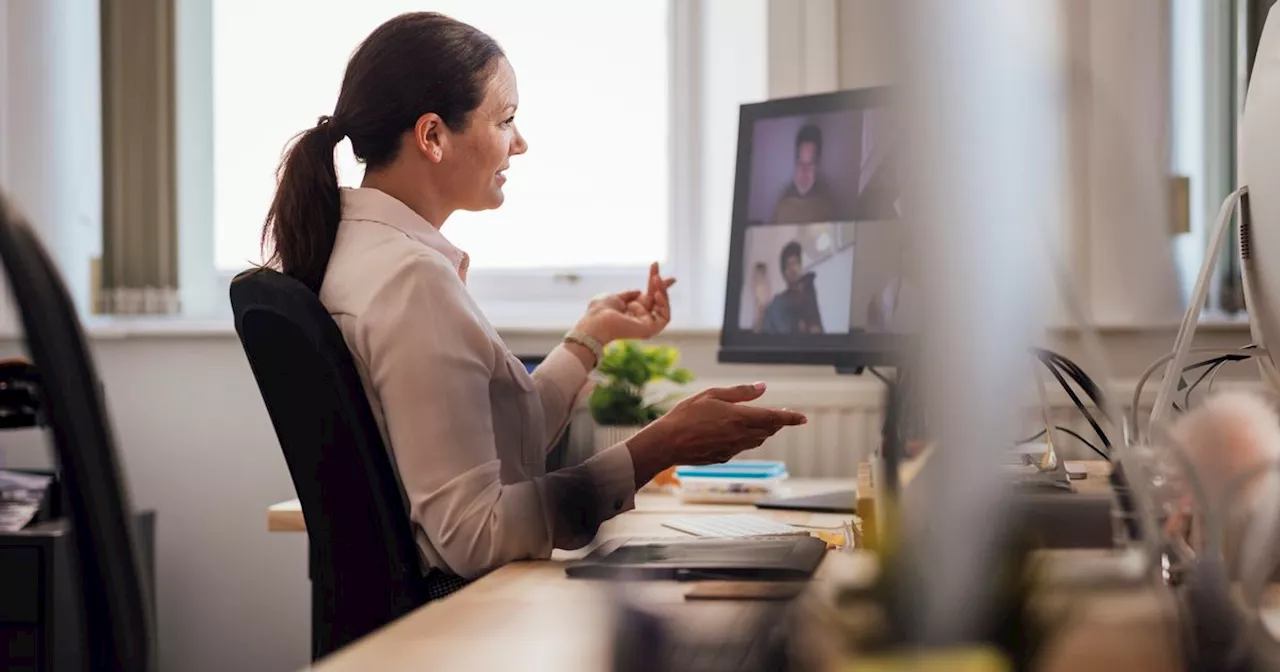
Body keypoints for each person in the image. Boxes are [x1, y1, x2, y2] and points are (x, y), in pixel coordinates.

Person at [258, 13, 806, 586]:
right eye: (506, 120)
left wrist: (591, 336)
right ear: (433, 137)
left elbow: (499, 440)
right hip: (462, 619)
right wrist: (657, 448)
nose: (520, 143)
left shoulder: (363, 252)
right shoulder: (410, 281)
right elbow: (475, 535)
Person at [772, 124, 837, 223]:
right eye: (800, 163)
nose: (804, 172)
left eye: (810, 165)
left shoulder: (826, 207)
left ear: (817, 166)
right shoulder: (782, 203)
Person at [761, 242, 824, 334]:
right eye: (788, 265)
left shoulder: (809, 293)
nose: (793, 269)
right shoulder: (776, 305)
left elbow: (819, 332)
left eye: (795, 263)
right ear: (784, 274)